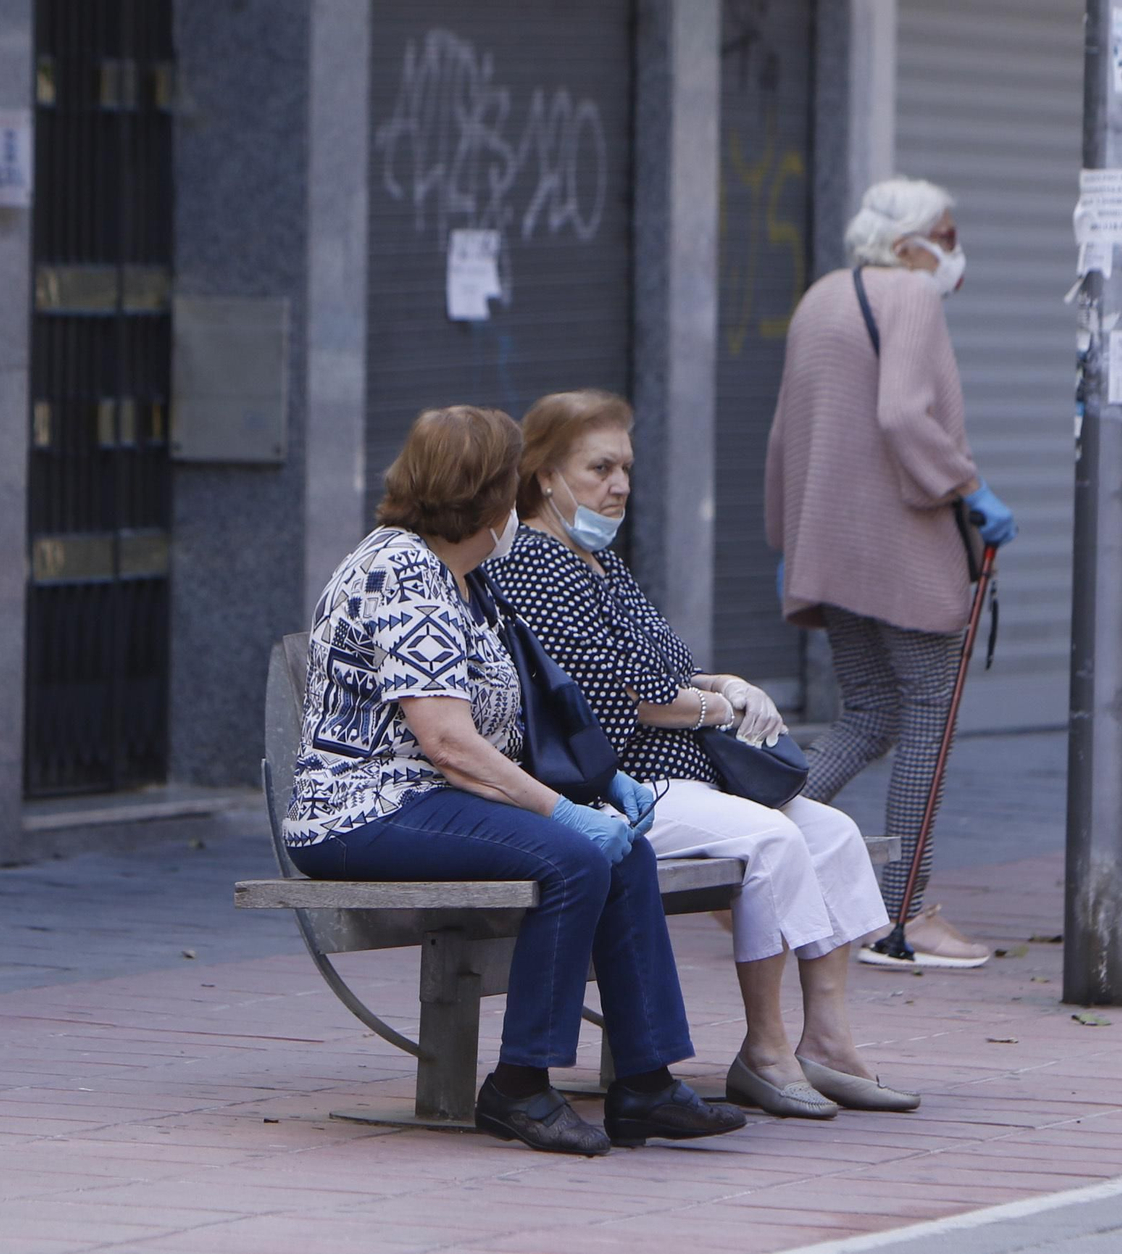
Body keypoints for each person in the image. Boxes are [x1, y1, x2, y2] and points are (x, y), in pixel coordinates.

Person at [284, 405, 745, 1154]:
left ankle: (645, 1084)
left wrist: (606, 785)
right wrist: (564, 813)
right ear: (489, 495)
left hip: (435, 802)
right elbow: (448, 743)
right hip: (363, 812)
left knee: (625, 851)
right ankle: (520, 1088)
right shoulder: (401, 569)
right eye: (511, 487)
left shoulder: (469, 578)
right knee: (572, 859)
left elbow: (509, 720)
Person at [490, 389, 918, 1119]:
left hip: (683, 776)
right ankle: (766, 1049)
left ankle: (830, 1043)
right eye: (599, 468)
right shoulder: (535, 566)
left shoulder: (600, 563)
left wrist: (726, 682)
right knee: (773, 839)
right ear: (544, 476)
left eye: (625, 466)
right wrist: (716, 707)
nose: (619, 484)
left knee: (836, 835)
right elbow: (620, 696)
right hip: (618, 786)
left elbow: (663, 666)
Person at [764, 176, 1017, 968]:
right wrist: (972, 490)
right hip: (904, 551)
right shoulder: (911, 297)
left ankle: (752, 839)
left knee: (868, 714)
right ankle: (904, 915)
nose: (953, 247)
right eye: (945, 232)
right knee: (928, 725)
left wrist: (786, 540)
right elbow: (903, 414)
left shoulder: (820, 298)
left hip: (831, 549)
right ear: (907, 242)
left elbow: (784, 432)